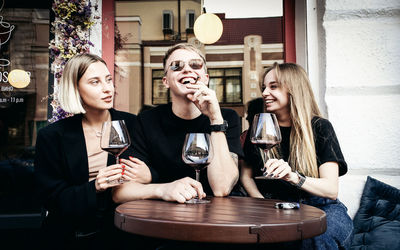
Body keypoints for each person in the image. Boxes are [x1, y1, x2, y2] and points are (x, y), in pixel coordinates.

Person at [34, 53, 151, 249]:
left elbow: (157, 171)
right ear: (76, 89)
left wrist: (149, 175)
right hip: (70, 237)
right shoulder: (52, 136)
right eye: (94, 82)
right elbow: (51, 200)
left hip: (123, 236)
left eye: (108, 80)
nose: (107, 89)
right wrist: (95, 186)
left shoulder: (132, 124)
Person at [112, 43, 243, 204]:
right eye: (176, 66)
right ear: (165, 81)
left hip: (218, 216)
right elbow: (120, 192)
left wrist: (215, 120)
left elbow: (222, 188)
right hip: (163, 217)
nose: (187, 69)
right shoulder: (147, 121)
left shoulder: (227, 117)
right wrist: (163, 189)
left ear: (206, 78)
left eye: (195, 65)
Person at [241, 62, 353, 249]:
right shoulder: (259, 130)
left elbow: (331, 189)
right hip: (275, 207)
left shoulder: (319, 127)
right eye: (264, 87)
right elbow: (246, 177)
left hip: (321, 209)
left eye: (273, 86)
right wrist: (262, 204)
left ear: (293, 88)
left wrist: (293, 177)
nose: (264, 93)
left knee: (316, 239)